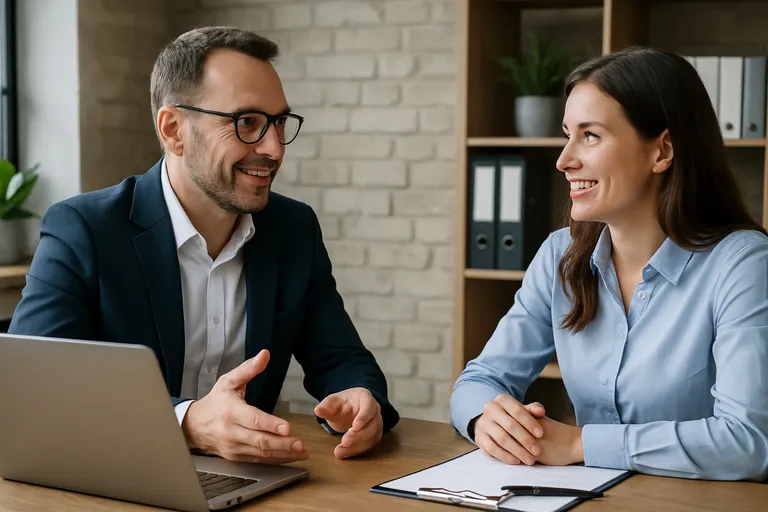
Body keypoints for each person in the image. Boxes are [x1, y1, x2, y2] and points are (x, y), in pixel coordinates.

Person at [9, 26, 399, 464]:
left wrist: (360, 398)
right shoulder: (84, 229)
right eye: (246, 122)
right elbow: (32, 394)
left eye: (279, 123)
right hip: (115, 478)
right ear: (174, 129)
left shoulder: (292, 229)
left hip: (249, 484)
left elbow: (342, 357)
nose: (274, 149)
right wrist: (187, 423)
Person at [450, 46, 768, 481]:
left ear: (662, 151)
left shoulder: (743, 264)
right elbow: (479, 381)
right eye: (567, 134)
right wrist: (489, 421)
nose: (563, 160)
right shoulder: (560, 256)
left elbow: (748, 443)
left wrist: (581, 444)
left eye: (591, 135)